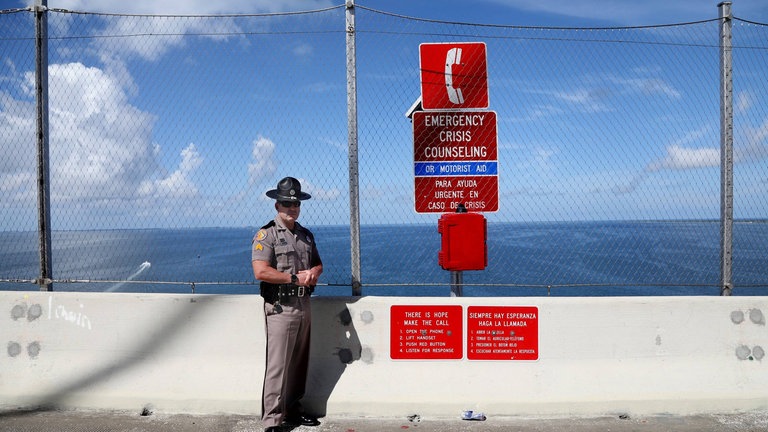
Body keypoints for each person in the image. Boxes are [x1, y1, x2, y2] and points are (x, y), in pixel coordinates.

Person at [252, 176, 323, 431]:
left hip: (304, 306)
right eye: (286, 204)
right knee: (278, 366)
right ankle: (271, 420)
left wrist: (314, 273)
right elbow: (260, 271)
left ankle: (293, 409)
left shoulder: (305, 236)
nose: (292, 209)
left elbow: (317, 263)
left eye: (295, 204)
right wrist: (293, 278)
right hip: (280, 308)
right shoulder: (266, 234)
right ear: (276, 206)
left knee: (299, 363)